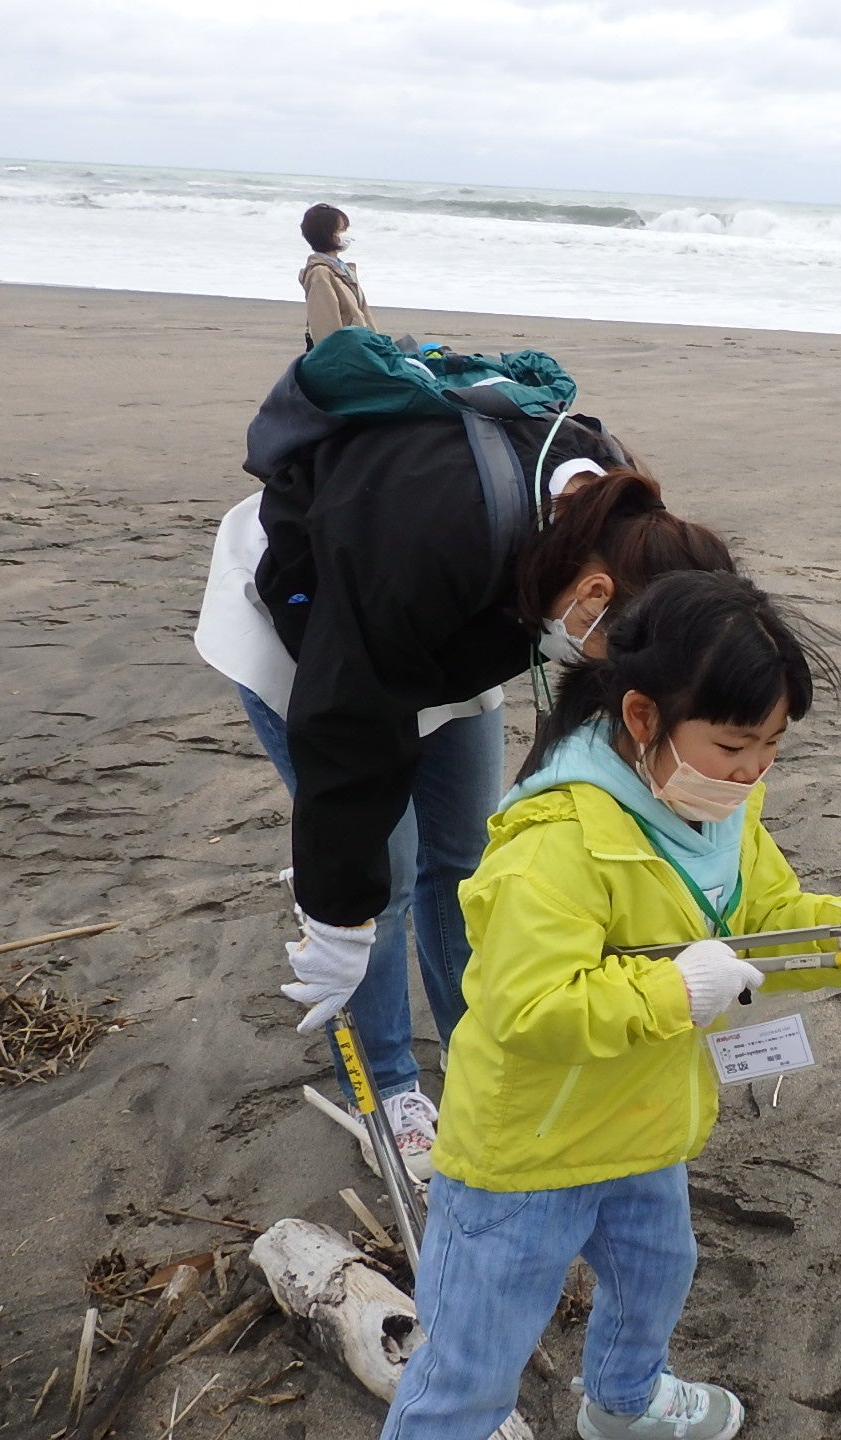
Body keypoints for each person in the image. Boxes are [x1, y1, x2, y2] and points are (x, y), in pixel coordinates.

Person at [380, 570, 841, 1440]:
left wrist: (839, 933)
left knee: (656, 1275)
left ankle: (624, 1404)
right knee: (472, 1357)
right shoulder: (557, 840)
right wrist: (678, 990)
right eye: (734, 744)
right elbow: (528, 1007)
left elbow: (761, 919)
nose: (753, 769)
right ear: (641, 716)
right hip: (530, 1151)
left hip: (644, 1121)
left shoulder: (721, 806)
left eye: (772, 744)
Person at [196, 373, 732, 1177]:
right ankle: (388, 1089)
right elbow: (347, 729)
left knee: (465, 857)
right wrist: (336, 915)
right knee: (381, 877)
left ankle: (475, 1042)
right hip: (314, 634)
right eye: (612, 653)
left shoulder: (630, 540)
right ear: (594, 594)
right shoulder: (431, 536)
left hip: (459, 628)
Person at [299, 202, 377, 349]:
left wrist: (377, 344)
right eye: (342, 229)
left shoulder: (343, 269)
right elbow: (325, 325)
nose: (346, 234)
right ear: (328, 235)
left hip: (362, 347)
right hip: (348, 352)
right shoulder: (320, 273)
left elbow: (362, 314)